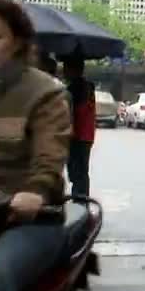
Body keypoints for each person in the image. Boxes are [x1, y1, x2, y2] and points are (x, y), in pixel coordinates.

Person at [0, 0, 71, 291]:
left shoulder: (46, 94)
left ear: (18, 43)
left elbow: (49, 160)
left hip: (29, 221)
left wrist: (35, 192)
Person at [63, 56, 95, 197]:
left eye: (66, 69)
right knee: (81, 172)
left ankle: (80, 200)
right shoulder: (88, 86)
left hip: (78, 135)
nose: (63, 72)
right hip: (86, 135)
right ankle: (82, 199)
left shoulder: (75, 88)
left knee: (78, 172)